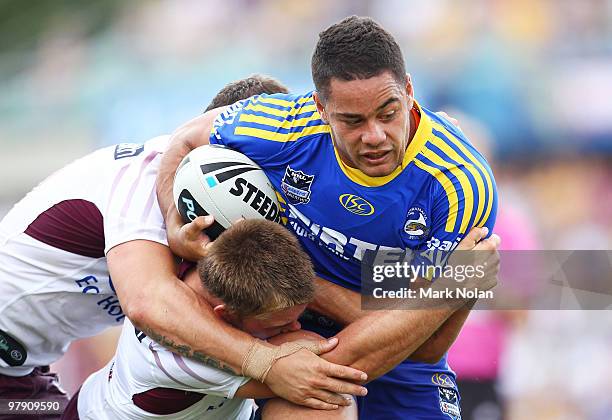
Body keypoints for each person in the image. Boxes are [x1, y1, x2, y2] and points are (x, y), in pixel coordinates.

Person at [156, 16, 500, 419]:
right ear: (320, 108)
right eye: (352, 121)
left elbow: (428, 344)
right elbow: (184, 139)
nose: (374, 136)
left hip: (401, 352)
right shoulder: (281, 124)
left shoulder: (462, 184)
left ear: (408, 91)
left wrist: (299, 283)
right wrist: (172, 222)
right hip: (281, 322)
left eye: (388, 113)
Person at [0, 75, 369, 417]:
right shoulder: (145, 179)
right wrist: (267, 362)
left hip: (27, 367)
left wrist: (423, 296)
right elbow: (149, 304)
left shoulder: (255, 205)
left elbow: (422, 332)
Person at [62, 219, 352, 419]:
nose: (296, 327)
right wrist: (394, 314)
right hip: (102, 414)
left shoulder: (201, 259)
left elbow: (186, 138)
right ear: (224, 313)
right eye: (278, 325)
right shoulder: (171, 359)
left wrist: (175, 221)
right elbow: (322, 370)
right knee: (324, 397)